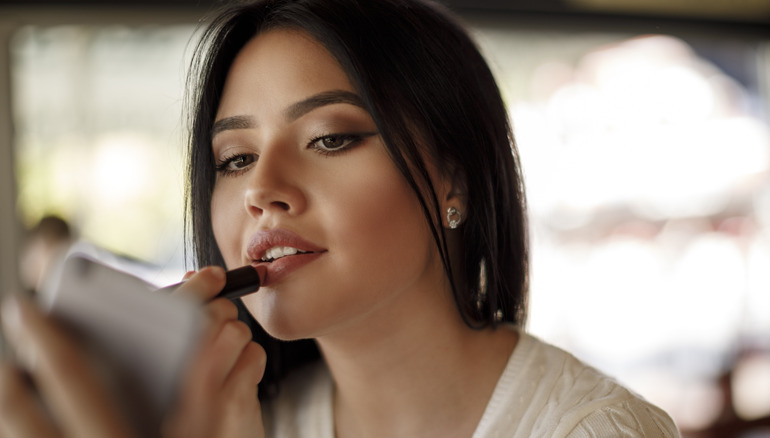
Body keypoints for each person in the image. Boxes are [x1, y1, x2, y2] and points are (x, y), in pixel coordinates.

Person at [0, 0, 680, 437]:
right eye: (234, 158)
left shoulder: (597, 431)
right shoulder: (256, 421)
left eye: (330, 139)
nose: (262, 190)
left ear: (456, 180)